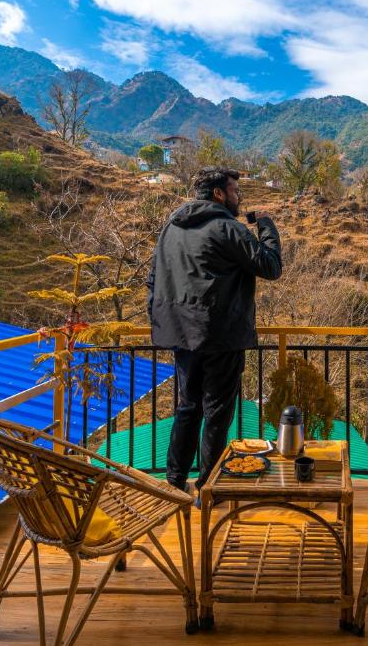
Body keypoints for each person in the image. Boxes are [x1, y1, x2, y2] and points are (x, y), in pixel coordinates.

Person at [148, 166, 282, 496]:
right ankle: (209, 487)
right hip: (220, 335)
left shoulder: (171, 228)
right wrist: (266, 224)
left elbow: (153, 277)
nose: (239, 197)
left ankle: (175, 481)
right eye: (235, 191)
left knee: (187, 408)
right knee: (217, 414)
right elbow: (270, 266)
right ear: (220, 194)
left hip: (181, 334)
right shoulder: (227, 227)